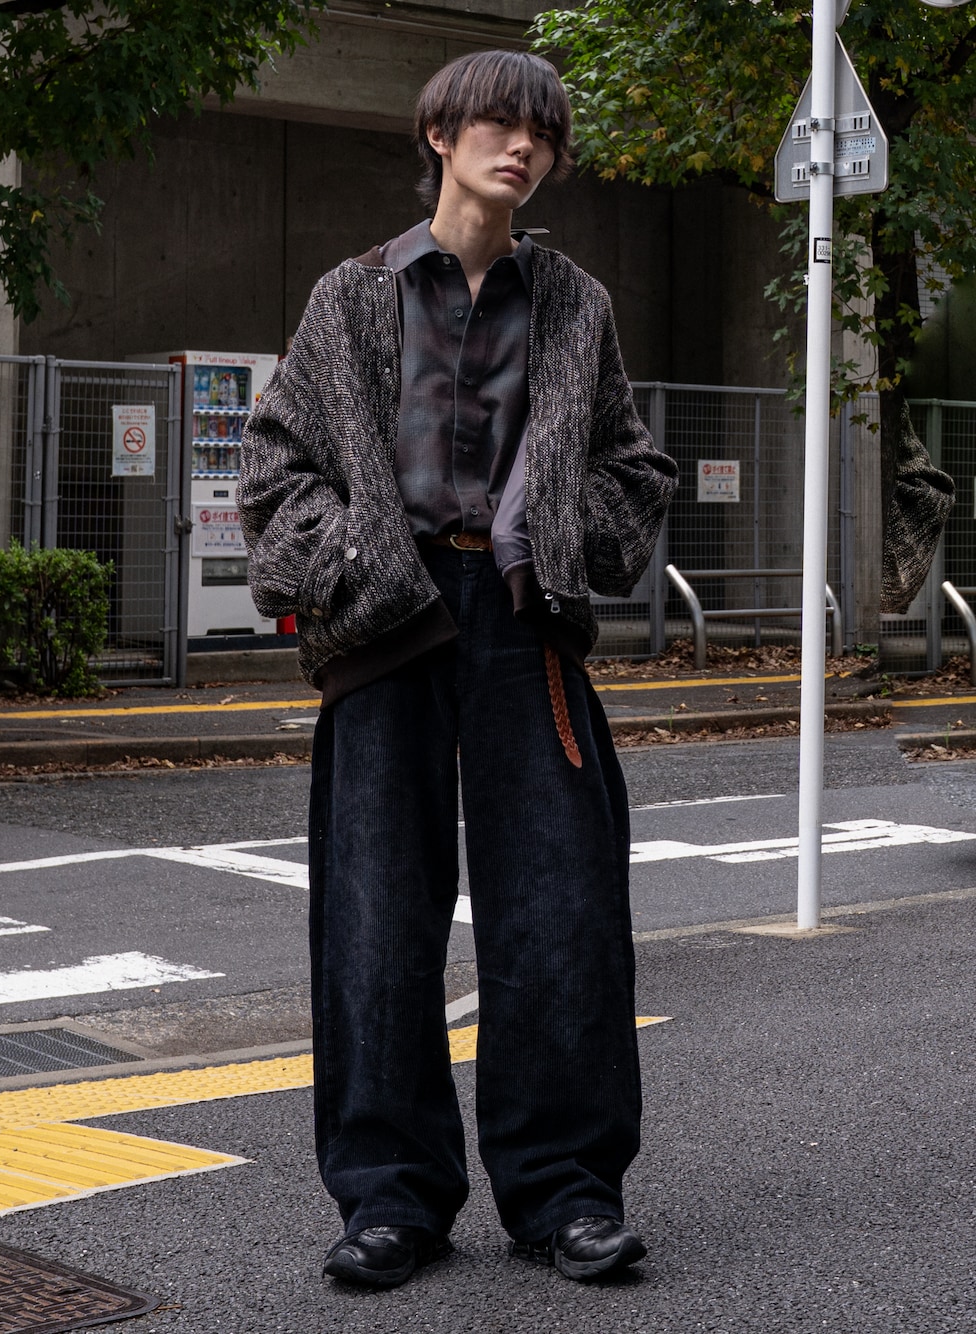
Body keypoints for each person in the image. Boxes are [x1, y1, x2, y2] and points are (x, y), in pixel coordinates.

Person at [237, 49, 679, 1289]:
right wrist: (363, 559)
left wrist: (565, 538)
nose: (520, 146)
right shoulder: (351, 296)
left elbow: (632, 467)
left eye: (541, 133)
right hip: (391, 619)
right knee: (375, 918)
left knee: (562, 912)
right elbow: (272, 469)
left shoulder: (575, 301)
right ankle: (391, 1196)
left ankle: (567, 1191)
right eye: (497, 122)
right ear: (439, 132)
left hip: (525, 621)